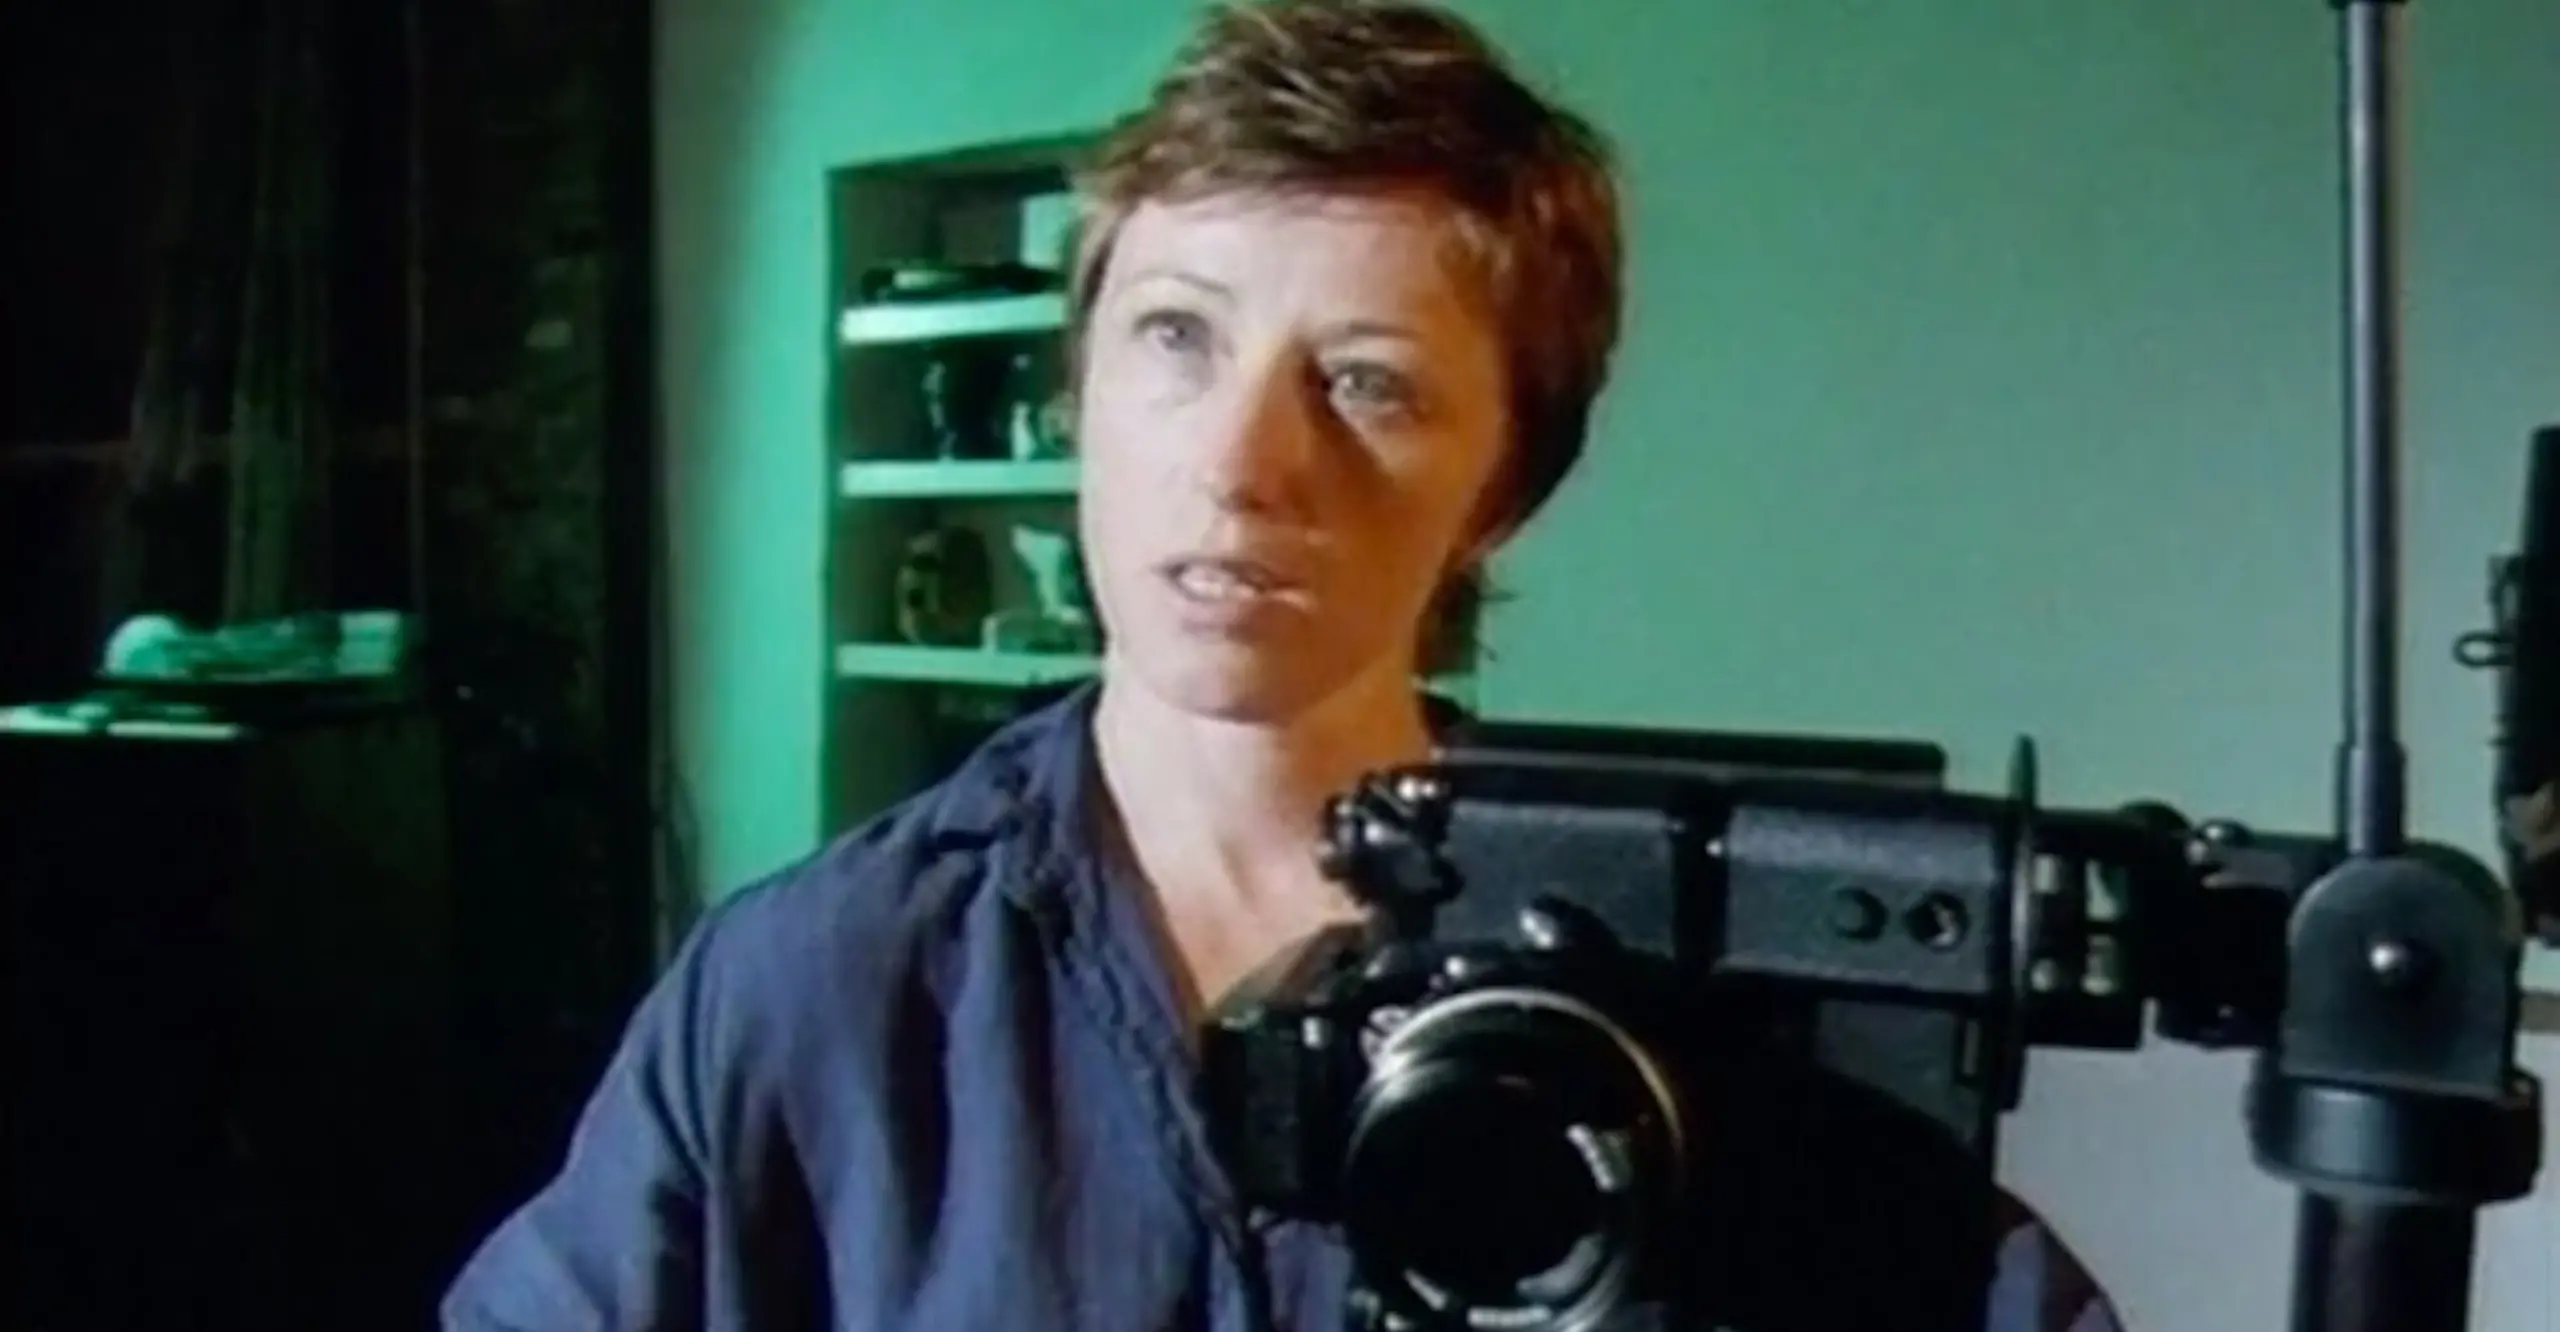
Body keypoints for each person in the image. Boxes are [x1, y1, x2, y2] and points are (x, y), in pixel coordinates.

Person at [439, 2, 2127, 1330]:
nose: (1244, 462)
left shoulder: (1687, 989)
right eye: (1177, 339)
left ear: (1504, 493)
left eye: (1369, 383)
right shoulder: (817, 991)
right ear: (1077, 389)